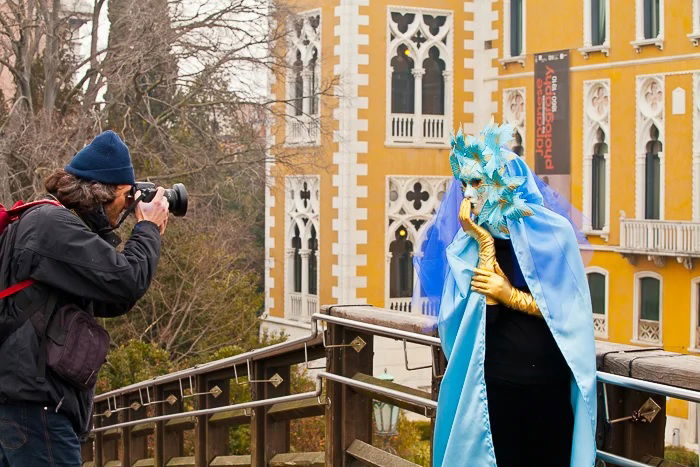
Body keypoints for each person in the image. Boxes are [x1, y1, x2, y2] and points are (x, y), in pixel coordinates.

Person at [414, 122, 597, 466]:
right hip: (495, 385)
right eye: (464, 184)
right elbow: (483, 316)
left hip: (545, 384)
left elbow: (569, 311)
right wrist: (483, 241)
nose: (468, 194)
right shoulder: (469, 244)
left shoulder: (554, 234)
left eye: (477, 183)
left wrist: (510, 294)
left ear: (504, 182)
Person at [0, 130, 169, 466]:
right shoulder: (51, 225)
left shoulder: (51, 223)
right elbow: (125, 281)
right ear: (101, 194)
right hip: (36, 409)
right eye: (125, 197)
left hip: (25, 405)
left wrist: (110, 225)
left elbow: (112, 300)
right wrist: (147, 228)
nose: (128, 206)